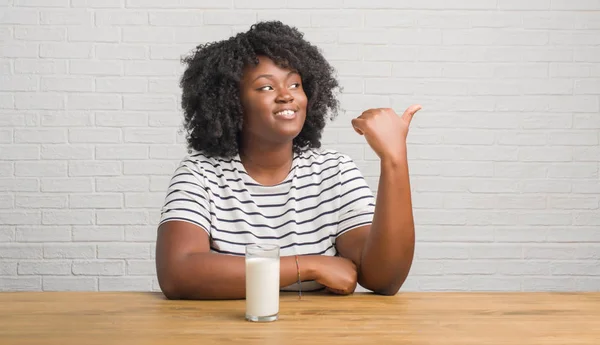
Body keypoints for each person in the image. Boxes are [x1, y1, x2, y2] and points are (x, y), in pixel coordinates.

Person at [155, 21, 421, 300]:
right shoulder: (200, 174)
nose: (286, 96)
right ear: (232, 103)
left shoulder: (334, 172)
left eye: (295, 84)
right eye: (266, 88)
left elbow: (384, 278)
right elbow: (178, 273)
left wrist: (394, 160)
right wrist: (307, 266)